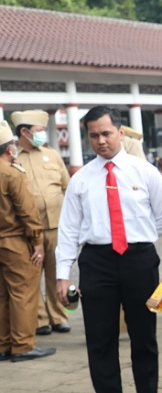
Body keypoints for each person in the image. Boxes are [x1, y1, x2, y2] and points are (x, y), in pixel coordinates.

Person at [56, 106, 162, 392]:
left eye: (106, 133)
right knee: (100, 341)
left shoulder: (145, 172)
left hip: (139, 261)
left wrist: (140, 237)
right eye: (94, 135)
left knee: (144, 338)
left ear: (120, 133)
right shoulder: (81, 180)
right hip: (97, 263)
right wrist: (63, 275)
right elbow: (69, 230)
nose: (101, 141)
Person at [10, 110, 71, 336]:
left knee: (57, 273)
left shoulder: (52, 155)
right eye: (39, 131)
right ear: (24, 132)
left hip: (56, 226)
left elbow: (67, 186)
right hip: (27, 230)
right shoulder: (12, 158)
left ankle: (59, 316)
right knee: (32, 275)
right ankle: (40, 319)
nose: (43, 135)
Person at [0, 120, 54, 362]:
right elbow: (27, 212)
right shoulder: (13, 174)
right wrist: (38, 242)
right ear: (10, 149)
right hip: (15, 241)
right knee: (23, 293)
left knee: (2, 295)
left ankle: (3, 345)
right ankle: (22, 346)